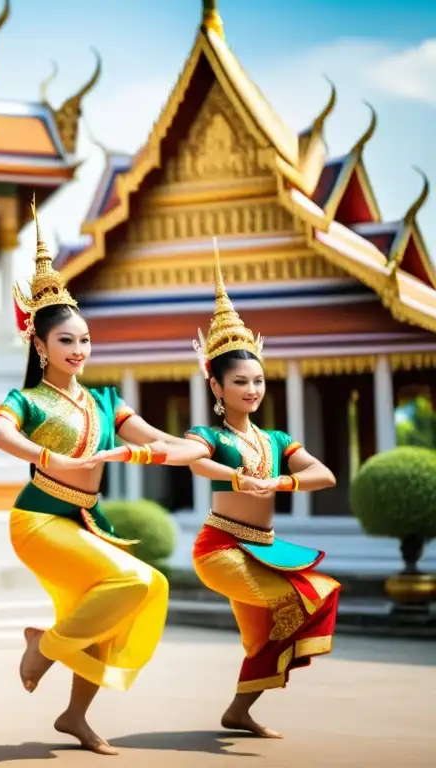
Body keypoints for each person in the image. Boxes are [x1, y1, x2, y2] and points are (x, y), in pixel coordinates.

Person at [0, 203, 213, 755]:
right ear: (40, 347)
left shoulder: (106, 401)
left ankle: (75, 715)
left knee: (129, 596)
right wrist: (45, 457)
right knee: (133, 582)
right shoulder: (28, 400)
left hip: (86, 522)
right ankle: (43, 646)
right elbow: (0, 432)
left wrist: (201, 449)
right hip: (40, 520)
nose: (79, 350)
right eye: (67, 341)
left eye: (85, 340)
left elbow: (155, 438)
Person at [185, 242, 339, 739]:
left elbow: (325, 474)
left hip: (266, 549)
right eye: (240, 381)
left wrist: (280, 479)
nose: (252, 389)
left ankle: (239, 711)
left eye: (258, 380)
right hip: (221, 548)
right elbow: (195, 462)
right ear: (217, 386)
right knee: (301, 600)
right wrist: (234, 476)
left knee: (266, 634)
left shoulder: (274, 440)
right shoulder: (211, 436)